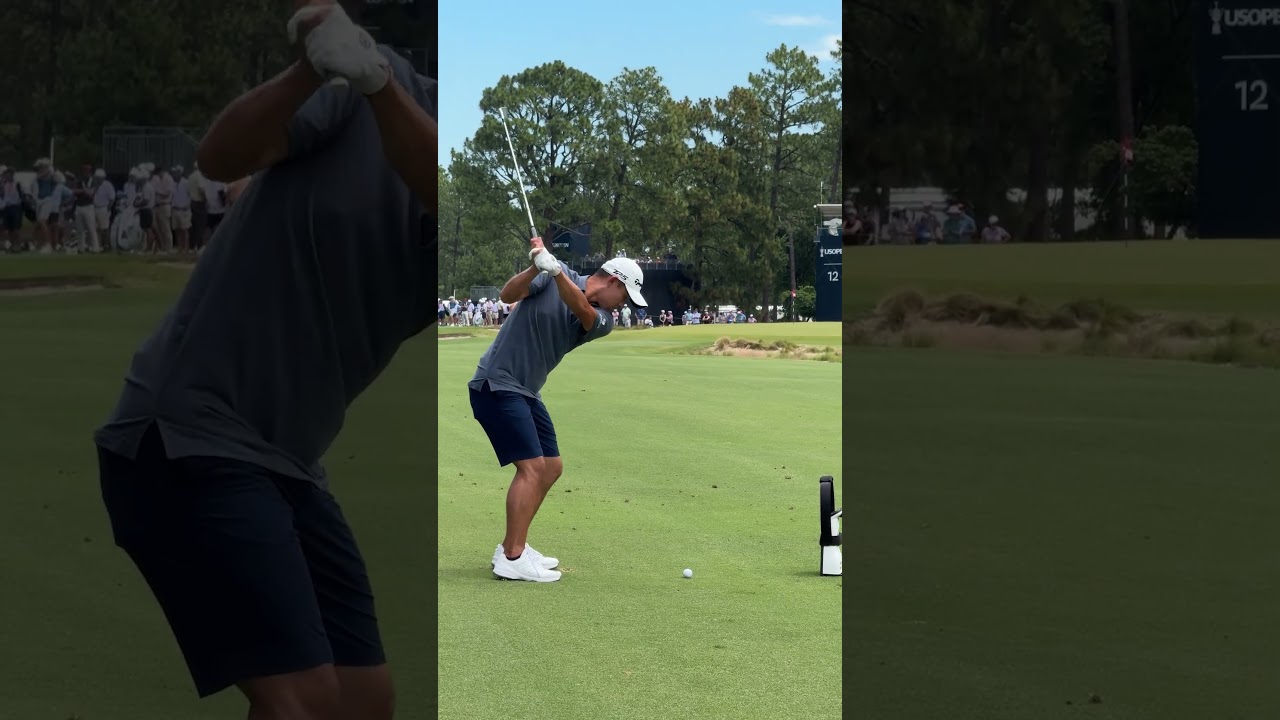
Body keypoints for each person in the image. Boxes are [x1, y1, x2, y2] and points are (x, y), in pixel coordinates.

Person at [94, 2, 436, 717]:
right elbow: (220, 159)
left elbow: (440, 187)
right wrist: (307, 73)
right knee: (306, 700)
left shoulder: (405, 114)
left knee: (363, 701)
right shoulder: (367, 86)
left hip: (288, 461)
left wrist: (379, 89)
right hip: (188, 433)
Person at [470, 240, 646, 582]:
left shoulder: (604, 318)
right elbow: (508, 295)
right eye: (624, 296)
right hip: (497, 382)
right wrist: (536, 267)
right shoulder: (553, 273)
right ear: (613, 281)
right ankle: (513, 556)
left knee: (551, 467)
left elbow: (581, 310)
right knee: (533, 467)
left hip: (526, 391)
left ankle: (512, 544)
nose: (624, 304)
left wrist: (554, 271)